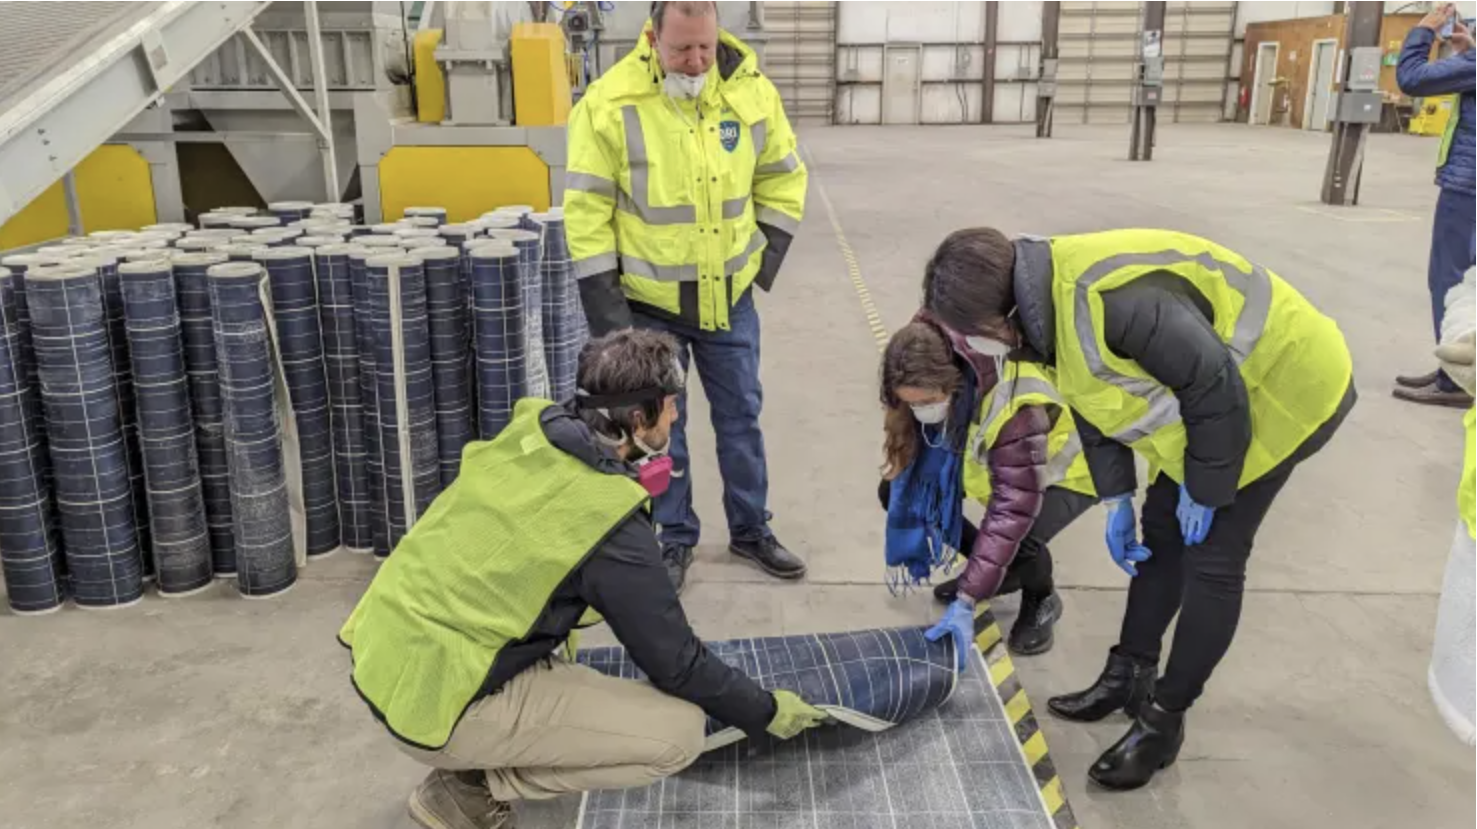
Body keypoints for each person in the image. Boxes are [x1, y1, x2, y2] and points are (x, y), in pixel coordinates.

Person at [922, 227, 1355, 791]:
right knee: (1159, 536)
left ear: (999, 314)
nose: (977, 347)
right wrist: (1118, 495)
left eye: (975, 334)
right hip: (1214, 408)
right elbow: (1093, 398)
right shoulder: (1042, 312)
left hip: (1283, 387)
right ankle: (1129, 675)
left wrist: (1207, 486)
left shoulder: (1114, 301)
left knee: (1213, 560)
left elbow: (1216, 388)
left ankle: (1163, 721)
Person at [338, 330, 826, 829]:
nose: (677, 417)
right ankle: (468, 788)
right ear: (639, 417)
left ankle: (480, 749)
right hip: (437, 705)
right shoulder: (604, 519)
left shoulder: (534, 433)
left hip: (389, 656)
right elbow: (676, 663)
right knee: (679, 732)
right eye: (672, 406)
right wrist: (763, 711)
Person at [565, 1, 809, 591]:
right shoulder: (610, 102)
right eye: (681, 49)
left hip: (730, 299)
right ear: (653, 37)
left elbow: (783, 176)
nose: (696, 61)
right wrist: (612, 320)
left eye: (704, 46)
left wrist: (759, 263)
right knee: (658, 429)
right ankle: (675, 537)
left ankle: (751, 530)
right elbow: (587, 209)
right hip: (651, 306)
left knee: (741, 419)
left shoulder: (752, 93)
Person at [878, 319, 1097, 657]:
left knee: (1021, 539)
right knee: (899, 494)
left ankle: (1042, 598)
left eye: (929, 401)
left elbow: (1013, 511)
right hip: (1003, 464)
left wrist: (968, 596)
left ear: (953, 383)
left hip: (1067, 469)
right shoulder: (929, 359)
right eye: (913, 404)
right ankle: (1001, 571)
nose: (923, 411)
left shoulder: (1014, 408)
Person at [1393, 3, 1475, 408]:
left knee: (1451, 280)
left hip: (1468, 187)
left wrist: (1423, 31)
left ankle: (1455, 379)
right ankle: (1458, 367)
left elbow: (1411, 79)